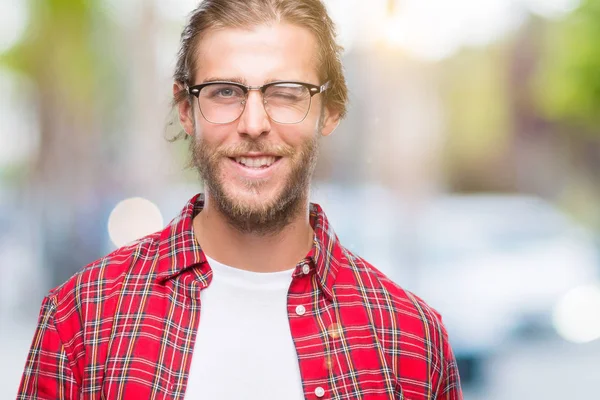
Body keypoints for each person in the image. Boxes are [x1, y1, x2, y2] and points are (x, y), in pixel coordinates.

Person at [18, 0, 463, 399]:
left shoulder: (412, 339)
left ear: (329, 112)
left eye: (286, 93)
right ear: (186, 109)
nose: (253, 124)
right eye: (225, 92)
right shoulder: (82, 317)